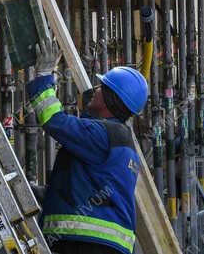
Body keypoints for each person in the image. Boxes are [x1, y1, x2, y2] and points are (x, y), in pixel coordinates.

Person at [27, 43, 148, 254]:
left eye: (101, 88)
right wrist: (49, 194)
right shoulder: (119, 139)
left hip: (88, 243)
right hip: (99, 244)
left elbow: (53, 120)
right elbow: (88, 188)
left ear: (111, 99)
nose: (95, 90)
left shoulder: (101, 134)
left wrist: (44, 75)